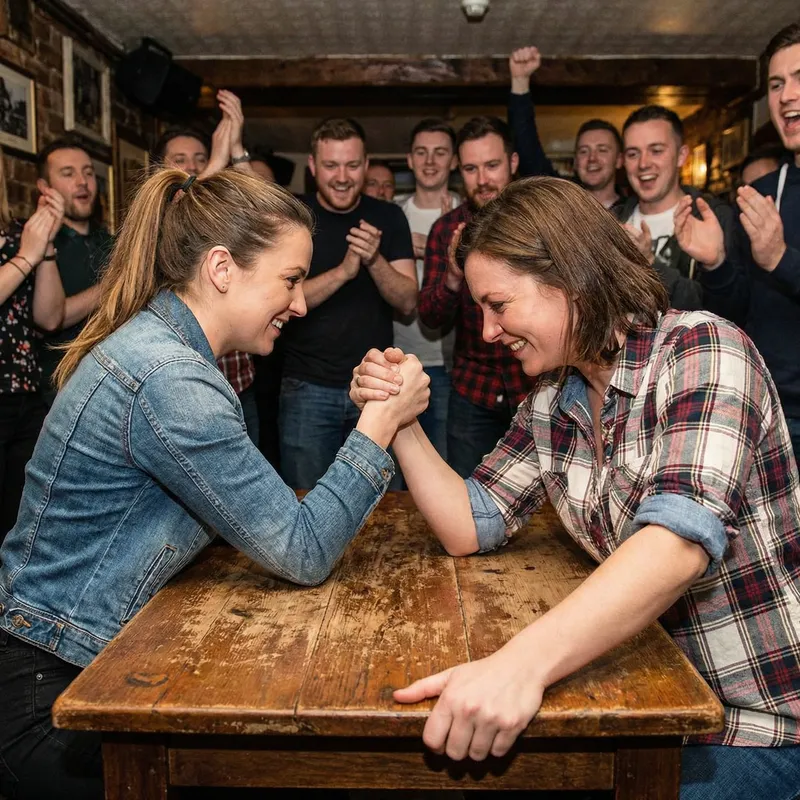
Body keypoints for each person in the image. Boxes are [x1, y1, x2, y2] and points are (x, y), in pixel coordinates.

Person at [352, 177, 800, 800]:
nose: (486, 332)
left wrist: (517, 666)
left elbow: (676, 543)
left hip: (752, 725)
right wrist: (397, 419)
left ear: (570, 281)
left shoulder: (702, 350)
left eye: (498, 305)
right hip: (639, 702)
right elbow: (469, 523)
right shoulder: (551, 399)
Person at [0, 167, 430, 800]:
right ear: (223, 268)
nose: (302, 302)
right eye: (289, 280)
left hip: (80, 663)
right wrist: (380, 425)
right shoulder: (171, 377)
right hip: (56, 698)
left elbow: (255, 511)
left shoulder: (165, 348)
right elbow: (303, 550)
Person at [682, 22, 800, 467]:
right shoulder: (765, 190)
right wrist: (715, 265)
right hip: (766, 411)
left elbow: (780, 267)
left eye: (799, 78)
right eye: (776, 83)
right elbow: (741, 311)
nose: (787, 94)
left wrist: (782, 260)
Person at [278, 117, 416, 489]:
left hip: (376, 387)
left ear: (366, 165)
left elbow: (407, 301)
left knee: (381, 504)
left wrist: (374, 259)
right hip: (306, 386)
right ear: (312, 166)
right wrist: (344, 272)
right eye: (331, 165)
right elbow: (279, 301)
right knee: (305, 501)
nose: (342, 176)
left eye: (352, 165)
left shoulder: (388, 216)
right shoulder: (291, 216)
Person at [418, 115, 530, 477]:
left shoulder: (541, 221)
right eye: (470, 168)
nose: (483, 180)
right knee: (468, 499)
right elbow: (431, 318)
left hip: (538, 387)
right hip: (473, 391)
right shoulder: (447, 229)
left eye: (492, 165)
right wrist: (453, 274)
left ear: (512, 163)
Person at [153, 90, 262, 444]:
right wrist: (216, 160)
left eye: (200, 158)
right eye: (181, 159)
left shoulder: (226, 208)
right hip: (184, 389)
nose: (194, 167)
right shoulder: (154, 218)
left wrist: (236, 150)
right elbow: (181, 207)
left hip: (237, 382)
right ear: (159, 170)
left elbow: (271, 218)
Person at [0, 148, 66, 542]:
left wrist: (46, 247)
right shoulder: (20, 246)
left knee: (17, 519)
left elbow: (49, 317)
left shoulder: (14, 235)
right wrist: (28, 254)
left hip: (24, 393)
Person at [616, 105, 737, 310]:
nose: (643, 163)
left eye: (656, 151)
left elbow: (727, 312)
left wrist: (649, 264)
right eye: (633, 154)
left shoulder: (714, 218)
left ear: (681, 156)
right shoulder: (612, 221)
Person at [394, 118, 460, 465]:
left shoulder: (469, 214)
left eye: (440, 153)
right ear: (409, 159)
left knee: (445, 463)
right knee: (398, 468)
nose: (430, 161)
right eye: (421, 152)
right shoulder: (393, 215)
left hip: (451, 364)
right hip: (401, 360)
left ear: (454, 161)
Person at [36, 138, 113, 404]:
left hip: (113, 385)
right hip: (61, 392)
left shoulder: (109, 241)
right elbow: (50, 318)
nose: (82, 181)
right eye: (68, 174)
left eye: (88, 173)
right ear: (44, 188)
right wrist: (115, 285)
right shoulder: (35, 245)